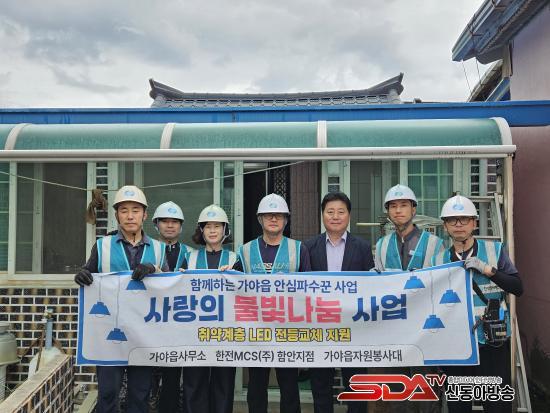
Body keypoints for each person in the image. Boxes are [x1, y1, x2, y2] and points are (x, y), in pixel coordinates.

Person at [74, 185, 168, 413]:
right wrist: (82, 274)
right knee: (108, 393)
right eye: (124, 210)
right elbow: (89, 273)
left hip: (144, 335)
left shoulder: (159, 249)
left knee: (140, 395)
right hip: (109, 335)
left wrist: (154, 269)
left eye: (135, 210)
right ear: (117, 215)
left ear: (145, 215)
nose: (130, 216)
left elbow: (169, 287)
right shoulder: (102, 246)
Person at [433, 194, 523, 413]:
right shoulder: (439, 259)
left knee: (496, 405)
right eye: (452, 220)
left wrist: (488, 270)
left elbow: (517, 287)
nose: (459, 224)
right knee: (459, 406)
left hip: (492, 342)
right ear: (445, 226)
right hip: (456, 346)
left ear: (474, 223)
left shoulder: (494, 251)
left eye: (464, 219)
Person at [230, 193, 311, 413]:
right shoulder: (245, 251)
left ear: (286, 220)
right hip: (256, 331)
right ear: (260, 219)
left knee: (289, 386)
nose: (273, 219)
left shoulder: (299, 249)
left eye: (279, 215)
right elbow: (234, 287)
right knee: (256, 387)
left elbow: (309, 290)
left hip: (288, 330)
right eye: (268, 215)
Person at [374, 184, 445, 413]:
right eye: (393, 206)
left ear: (413, 209)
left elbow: (443, 284)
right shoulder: (382, 245)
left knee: (426, 390)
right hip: (393, 330)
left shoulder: (434, 243)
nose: (398, 211)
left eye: (403, 205)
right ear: (388, 212)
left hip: (426, 329)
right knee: (396, 390)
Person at [304, 192, 374, 413]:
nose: (335, 217)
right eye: (330, 212)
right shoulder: (309, 246)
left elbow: (371, 287)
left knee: (356, 384)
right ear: (322, 215)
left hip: (353, 328)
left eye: (341, 212)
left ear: (349, 215)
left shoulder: (362, 247)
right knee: (320, 385)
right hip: (320, 327)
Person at [183, 204, 237, 413]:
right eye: (208, 226)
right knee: (194, 383)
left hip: (226, 333)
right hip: (194, 333)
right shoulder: (190, 257)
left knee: (223, 384)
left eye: (217, 226)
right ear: (201, 230)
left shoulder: (235, 258)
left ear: (225, 230)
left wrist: (235, 273)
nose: (212, 230)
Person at [151, 201, 193, 413]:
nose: (170, 225)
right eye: (165, 221)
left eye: (174, 221)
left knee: (176, 376)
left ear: (181, 226)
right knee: (147, 376)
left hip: (181, 324)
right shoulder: (148, 250)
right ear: (156, 224)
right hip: (151, 322)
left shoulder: (191, 254)